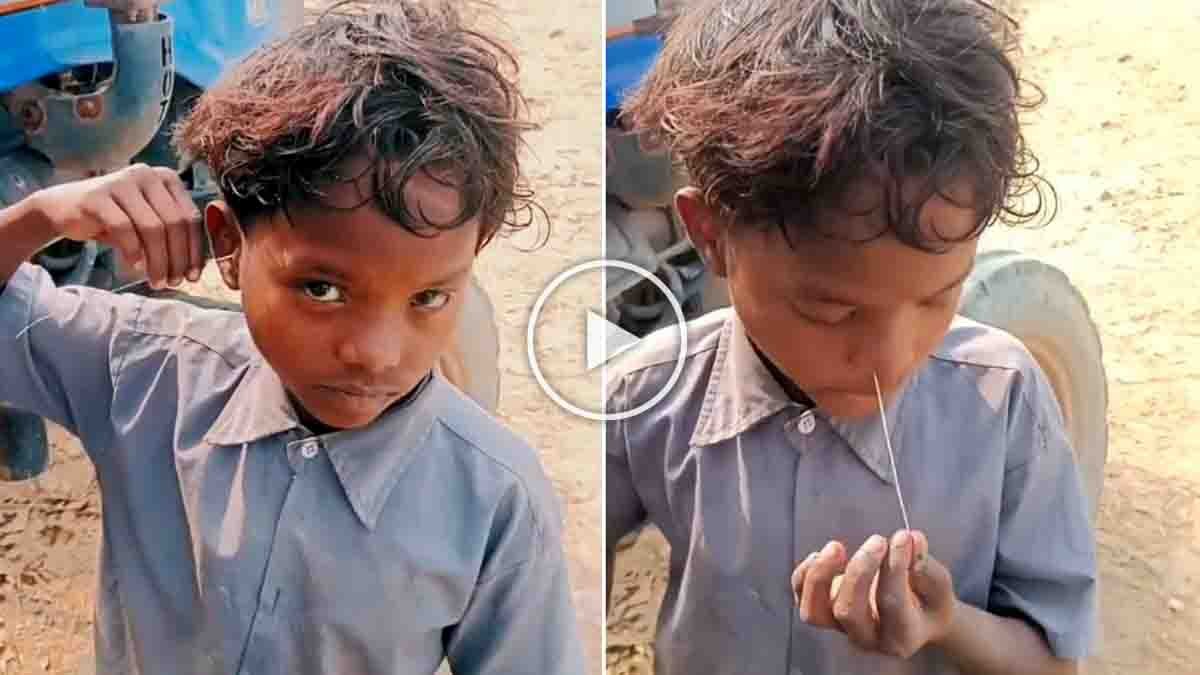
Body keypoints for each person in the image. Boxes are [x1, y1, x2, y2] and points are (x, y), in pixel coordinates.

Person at [0, 3, 584, 673]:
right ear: (228, 246)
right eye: (322, 289)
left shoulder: (496, 503)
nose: (375, 353)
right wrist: (40, 216)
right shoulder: (141, 370)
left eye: (428, 298)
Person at [605, 1, 1097, 673]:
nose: (890, 361)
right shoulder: (645, 399)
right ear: (711, 235)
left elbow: (1054, 663)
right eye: (832, 312)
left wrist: (947, 623)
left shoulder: (1006, 404)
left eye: (937, 296)